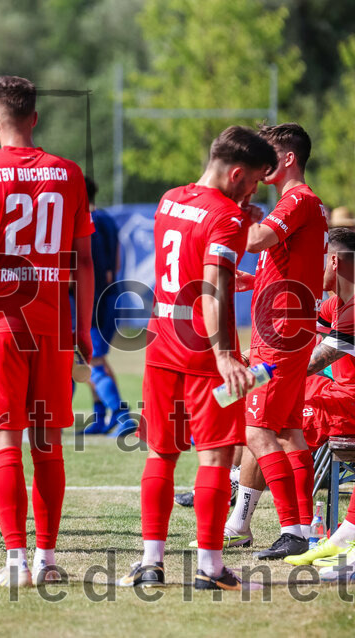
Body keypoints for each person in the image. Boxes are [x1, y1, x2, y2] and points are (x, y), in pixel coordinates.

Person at [0, 76, 95, 587]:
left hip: (0, 325)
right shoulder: (69, 173)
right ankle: (47, 560)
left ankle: (14, 566)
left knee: (6, 443)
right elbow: (86, 261)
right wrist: (84, 325)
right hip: (53, 325)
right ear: (35, 118)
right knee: (48, 446)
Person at [117, 125, 275, 591]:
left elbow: (193, 250)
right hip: (204, 352)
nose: (253, 190)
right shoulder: (226, 216)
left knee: (161, 454)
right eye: (253, 181)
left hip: (161, 341)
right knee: (214, 457)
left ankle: (151, 563)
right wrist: (225, 354)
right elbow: (212, 287)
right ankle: (210, 567)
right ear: (238, 173)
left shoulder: (169, 199)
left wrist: (240, 216)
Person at [218, 123, 328, 560]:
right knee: (287, 431)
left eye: (269, 156)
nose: (261, 167)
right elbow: (283, 259)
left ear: (288, 160)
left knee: (257, 429)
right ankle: (301, 528)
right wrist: (254, 279)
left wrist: (226, 213)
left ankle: (292, 530)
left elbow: (259, 237)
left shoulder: (298, 199)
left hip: (280, 332)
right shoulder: (304, 204)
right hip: (287, 326)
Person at [284, 228, 355, 578]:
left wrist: (257, 374)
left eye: (318, 259)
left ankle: (303, 529)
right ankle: (337, 534)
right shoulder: (337, 303)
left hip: (350, 403)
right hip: (345, 398)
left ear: (333, 261)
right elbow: (301, 333)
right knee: (269, 408)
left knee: (283, 410)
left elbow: (309, 362)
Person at [79, 177, 134, 436]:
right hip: (108, 296)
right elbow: (117, 259)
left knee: (91, 359)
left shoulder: (87, 221)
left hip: (91, 299)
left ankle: (122, 416)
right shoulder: (108, 219)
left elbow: (92, 267)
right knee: (85, 359)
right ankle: (101, 416)